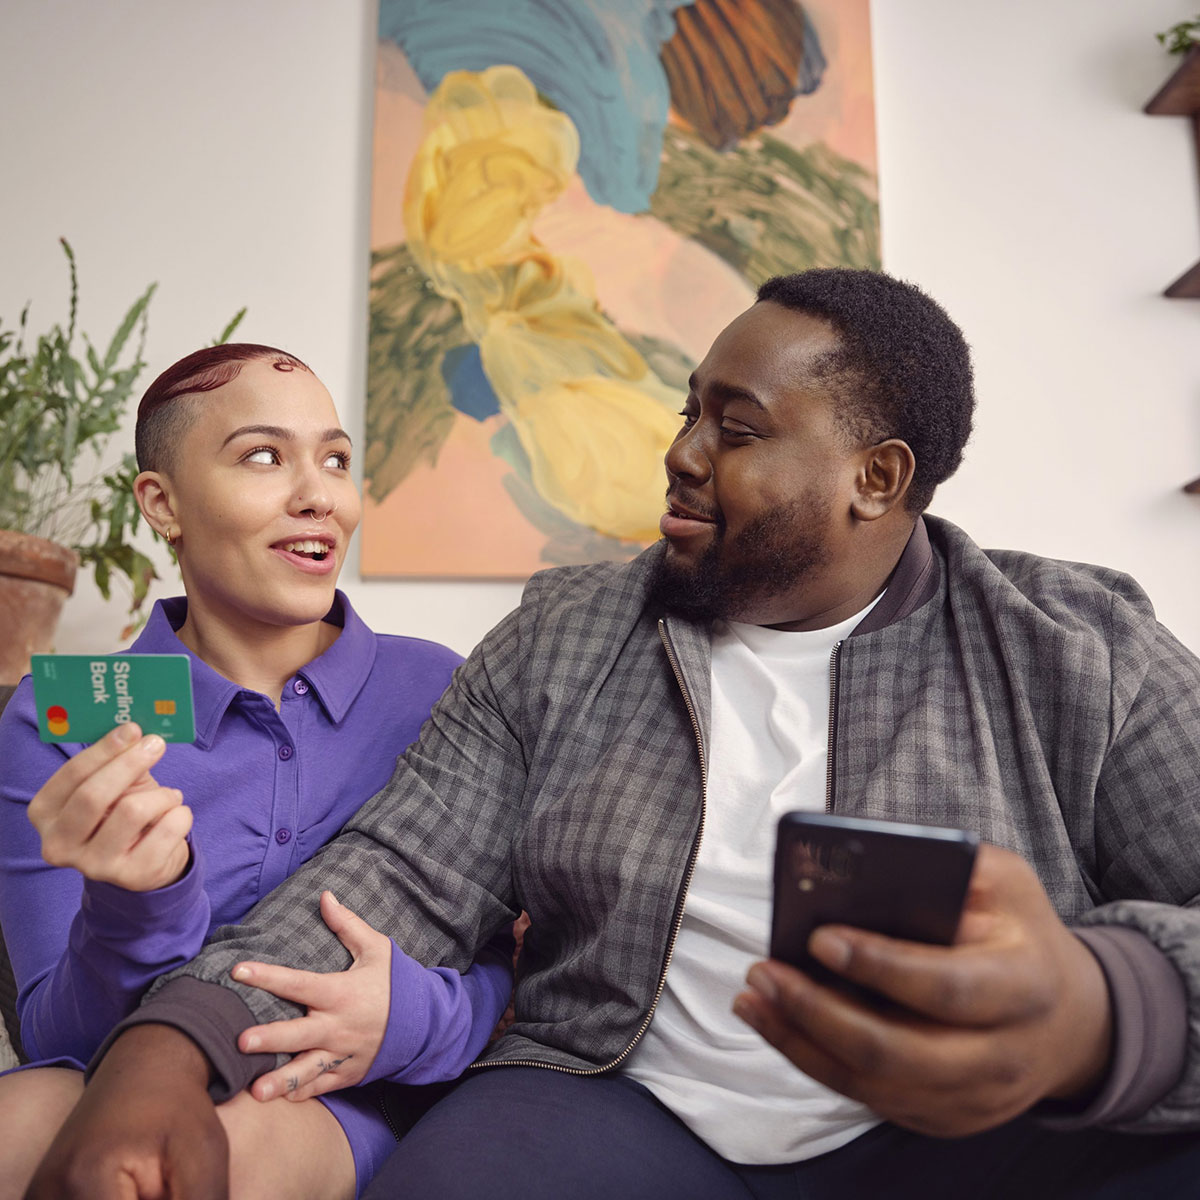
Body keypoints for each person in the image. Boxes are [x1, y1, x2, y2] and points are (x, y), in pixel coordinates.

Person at [26, 272, 1200, 1200]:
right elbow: (396, 873)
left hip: (981, 1135)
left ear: (875, 478)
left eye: (735, 428)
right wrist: (170, 1049)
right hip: (620, 1104)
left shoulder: (1079, 649)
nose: (682, 452)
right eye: (689, 410)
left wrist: (1106, 1012)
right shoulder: (567, 633)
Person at [0, 344, 513, 1200]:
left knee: (217, 1156)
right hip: (114, 1073)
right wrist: (137, 903)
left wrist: (407, 1022)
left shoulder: (444, 689)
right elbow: (57, 1038)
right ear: (162, 505)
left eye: (337, 459)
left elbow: (528, 966)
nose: (319, 494)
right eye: (264, 456)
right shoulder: (76, 714)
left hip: (346, 1098)